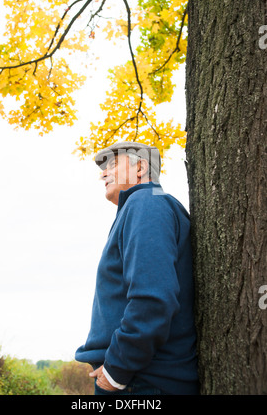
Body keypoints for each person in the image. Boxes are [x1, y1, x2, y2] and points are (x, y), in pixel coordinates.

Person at [75, 141, 199, 395]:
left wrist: (116, 371)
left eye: (112, 165)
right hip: (139, 378)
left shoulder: (146, 203)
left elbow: (152, 298)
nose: (102, 173)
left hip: (142, 381)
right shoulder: (147, 205)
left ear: (141, 167)